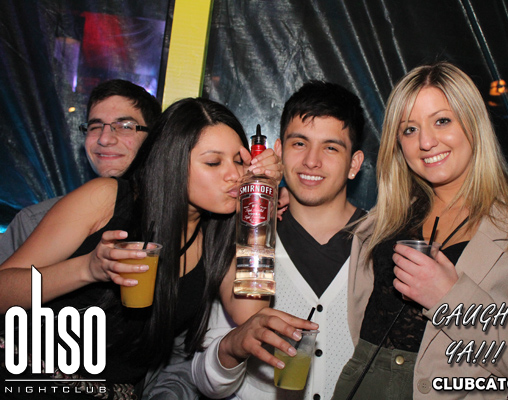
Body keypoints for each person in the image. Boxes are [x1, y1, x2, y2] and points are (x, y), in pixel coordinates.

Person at [0, 97, 285, 399]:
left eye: (239, 161)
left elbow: (249, 314)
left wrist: (261, 201)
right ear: (172, 162)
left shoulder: (215, 239)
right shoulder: (107, 198)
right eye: (214, 162)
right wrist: (87, 269)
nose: (235, 175)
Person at [331, 62, 508, 399]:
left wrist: (450, 299)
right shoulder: (382, 221)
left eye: (442, 121)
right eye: (409, 129)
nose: (426, 141)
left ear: (473, 123)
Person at [188, 81, 366, 400]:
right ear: (280, 151)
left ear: (354, 164)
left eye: (331, 148)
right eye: (299, 143)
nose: (311, 161)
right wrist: (232, 347)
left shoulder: (384, 245)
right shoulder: (243, 237)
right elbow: (206, 380)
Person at [0, 79, 162, 264]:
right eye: (95, 127)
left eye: (125, 127)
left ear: (154, 138)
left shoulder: (173, 218)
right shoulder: (34, 222)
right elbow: (13, 282)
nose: (104, 139)